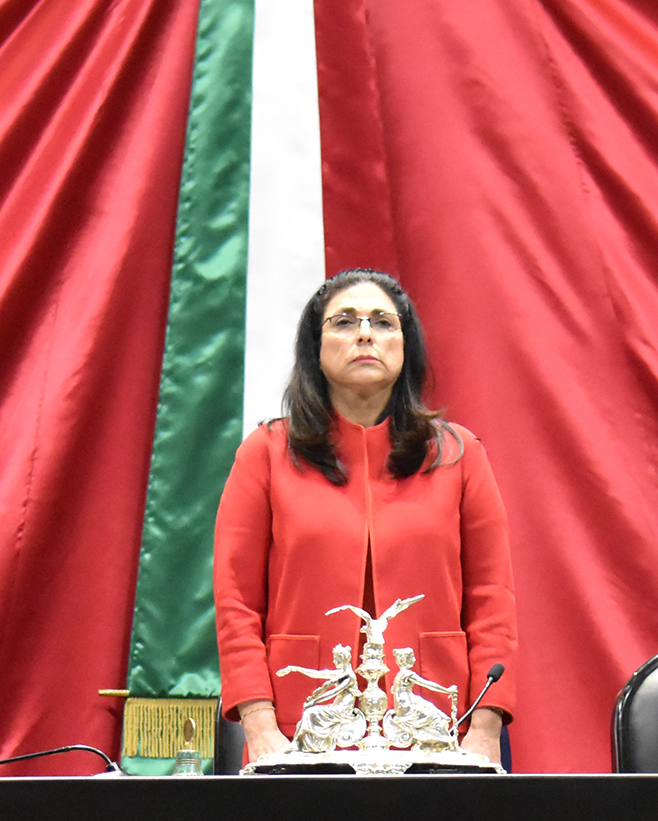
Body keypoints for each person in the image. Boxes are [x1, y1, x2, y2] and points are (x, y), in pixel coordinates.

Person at [213, 269, 518, 766]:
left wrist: (485, 727)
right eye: (344, 321)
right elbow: (237, 605)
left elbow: (492, 601)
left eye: (382, 322)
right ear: (315, 348)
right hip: (299, 729)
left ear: (405, 345)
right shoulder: (265, 453)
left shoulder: (459, 454)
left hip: (443, 725)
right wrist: (259, 723)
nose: (364, 334)